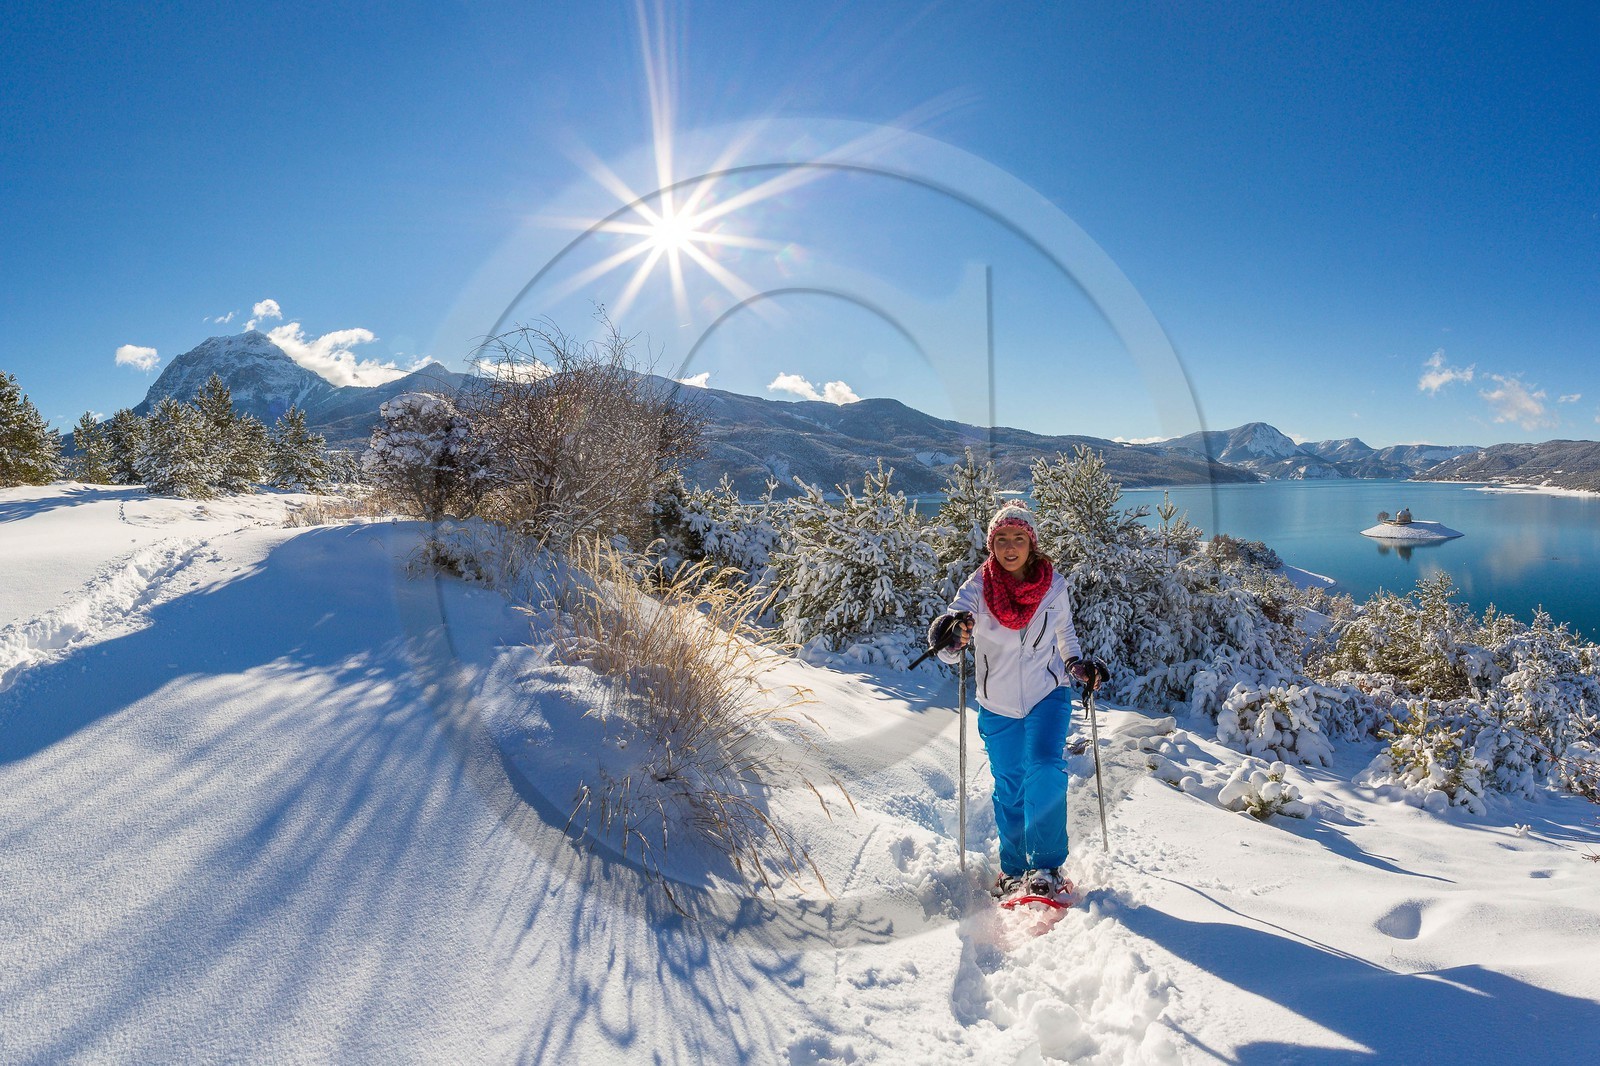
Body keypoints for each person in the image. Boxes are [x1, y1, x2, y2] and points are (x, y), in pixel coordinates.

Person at [927, 504, 1106, 898]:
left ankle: (1046, 866)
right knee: (1010, 785)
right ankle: (1012, 869)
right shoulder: (977, 587)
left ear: (1031, 543)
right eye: (1002, 539)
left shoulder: (1054, 585)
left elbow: (1065, 634)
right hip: (997, 702)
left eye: (1019, 538)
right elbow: (951, 638)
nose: (1010, 547)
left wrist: (1075, 664)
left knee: (1044, 767)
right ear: (991, 545)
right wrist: (950, 634)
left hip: (1048, 693)